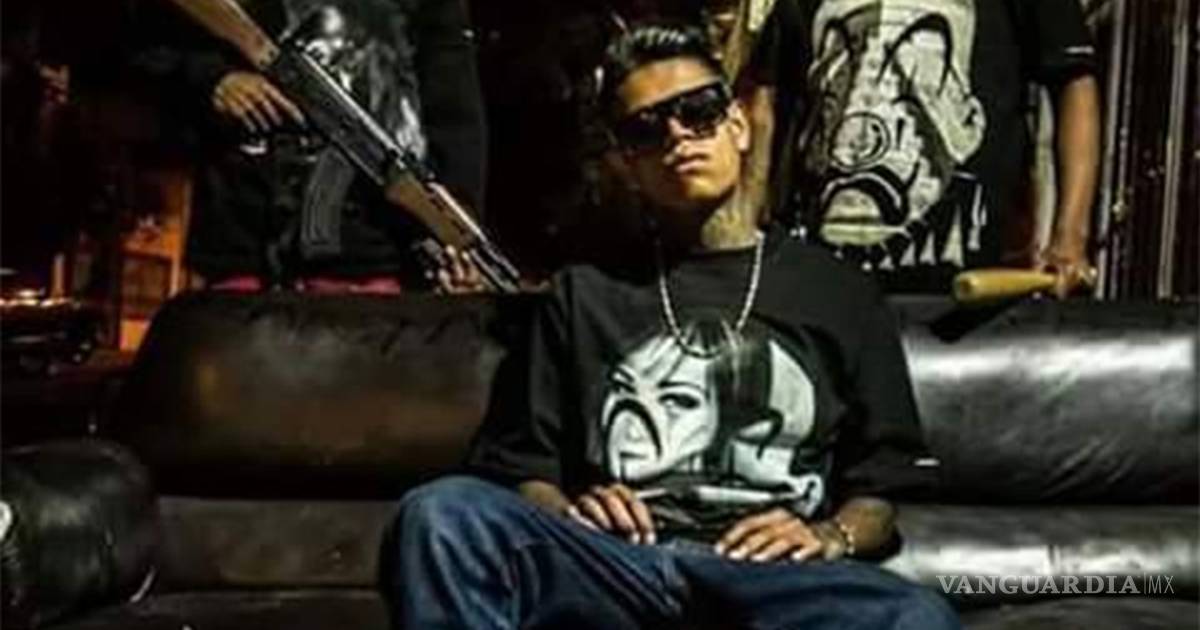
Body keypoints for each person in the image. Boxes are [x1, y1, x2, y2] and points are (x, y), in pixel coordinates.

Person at [378, 23, 959, 630]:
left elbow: (883, 492)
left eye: (698, 111)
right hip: (617, 565)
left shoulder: (839, 292)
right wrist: (573, 510)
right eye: (645, 129)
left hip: (771, 579)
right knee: (441, 513)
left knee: (913, 615)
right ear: (629, 163)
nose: (677, 136)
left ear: (739, 125)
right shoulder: (583, 293)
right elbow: (523, 473)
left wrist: (829, 535)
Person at [130, 0, 487, 293]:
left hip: (373, 251)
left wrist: (458, 222)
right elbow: (142, 44)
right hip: (243, 235)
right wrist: (214, 79)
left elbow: (455, 109)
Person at [755, 0, 1101, 295]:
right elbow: (766, 99)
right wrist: (754, 228)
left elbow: (1073, 79)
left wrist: (1070, 239)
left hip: (964, 296)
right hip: (823, 285)